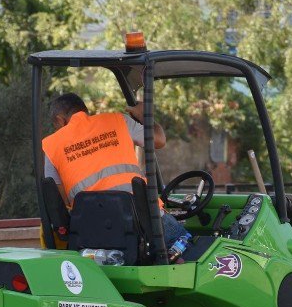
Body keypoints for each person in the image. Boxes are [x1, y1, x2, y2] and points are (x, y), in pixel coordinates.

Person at [41, 92, 187, 245]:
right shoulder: (117, 120)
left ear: (59, 119)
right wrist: (145, 116)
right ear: (84, 110)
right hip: (142, 217)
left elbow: (61, 198)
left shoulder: (51, 145)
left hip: (91, 229)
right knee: (187, 246)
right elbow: (159, 140)